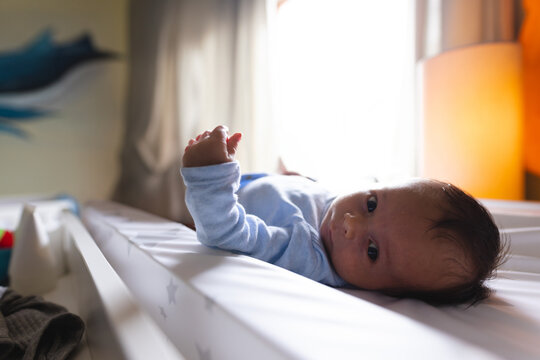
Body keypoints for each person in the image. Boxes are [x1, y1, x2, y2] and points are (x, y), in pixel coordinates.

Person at [181, 125, 506, 305]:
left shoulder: (309, 256)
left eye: (372, 251)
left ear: (386, 292)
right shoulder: (343, 209)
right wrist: (298, 180)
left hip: (213, 206)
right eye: (372, 204)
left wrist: (209, 177)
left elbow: (225, 234)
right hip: (256, 182)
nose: (350, 224)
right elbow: (320, 195)